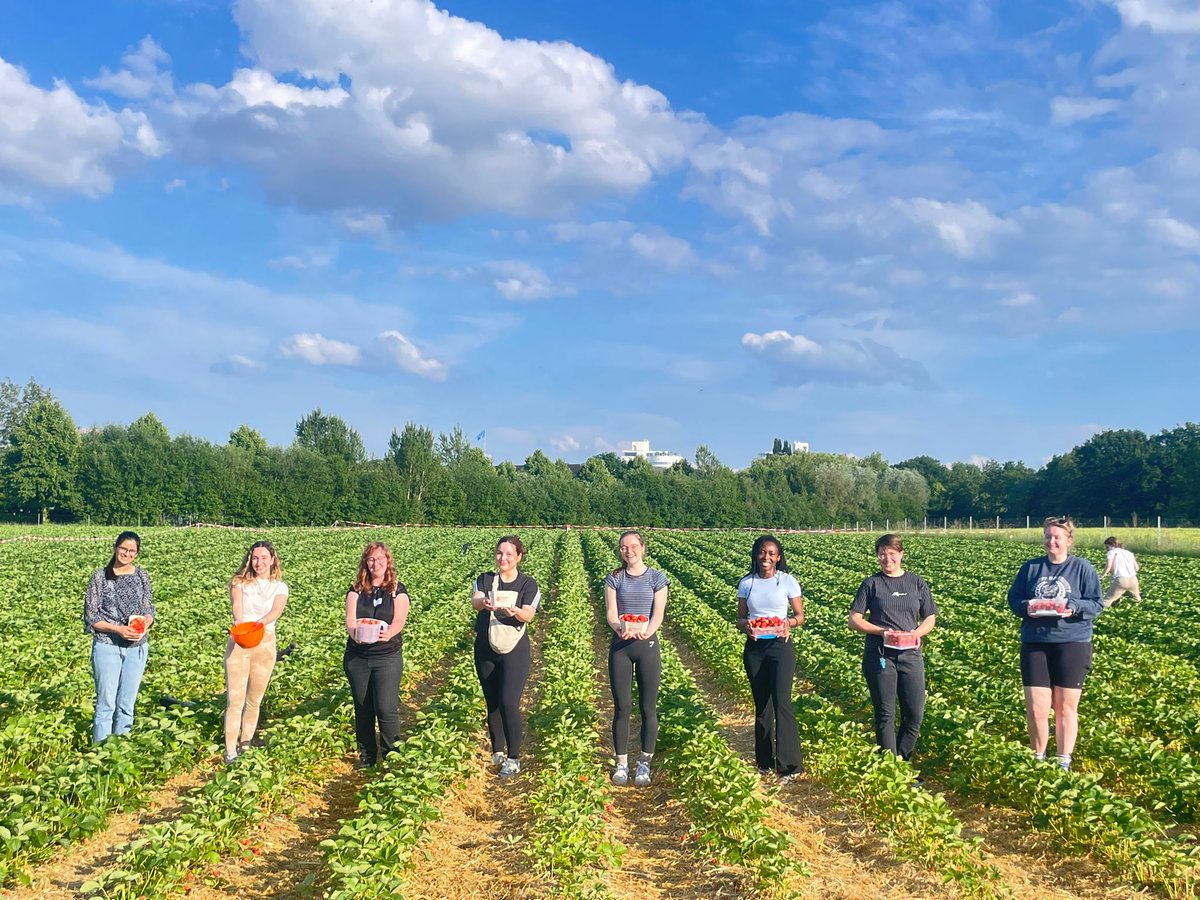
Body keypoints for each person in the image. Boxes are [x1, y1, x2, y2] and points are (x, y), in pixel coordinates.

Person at [1007, 516, 1104, 771]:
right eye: (1048, 537)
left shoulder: (1082, 568)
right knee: (1036, 707)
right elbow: (1014, 599)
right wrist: (1027, 607)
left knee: (1065, 707)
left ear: (1069, 541)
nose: (1052, 541)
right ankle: (1038, 758)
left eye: (1057, 537)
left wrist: (1073, 607)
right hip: (1035, 642)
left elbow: (1096, 603)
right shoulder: (1031, 568)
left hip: (1072, 642)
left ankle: (1063, 760)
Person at [848, 534, 938, 762]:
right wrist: (882, 632)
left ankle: (902, 761)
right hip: (880, 655)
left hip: (911, 655)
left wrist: (917, 633)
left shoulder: (916, 582)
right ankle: (890, 766)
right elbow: (854, 619)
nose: (887, 559)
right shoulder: (871, 584)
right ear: (877, 556)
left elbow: (930, 617)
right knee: (885, 714)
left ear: (901, 554)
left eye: (891, 553)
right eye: (882, 554)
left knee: (914, 714)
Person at [736, 535, 805, 782]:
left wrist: (788, 623)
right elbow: (740, 618)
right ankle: (764, 762)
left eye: (771, 553)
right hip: (755, 648)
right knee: (762, 704)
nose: (766, 557)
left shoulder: (787, 581)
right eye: (762, 552)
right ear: (756, 555)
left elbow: (800, 616)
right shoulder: (747, 583)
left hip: (780, 646)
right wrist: (747, 626)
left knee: (782, 703)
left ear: (778, 557)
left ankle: (790, 766)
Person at [471, 535, 540, 779]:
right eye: (500, 553)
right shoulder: (485, 579)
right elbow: (475, 601)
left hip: (515, 648)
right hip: (485, 645)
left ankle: (514, 758)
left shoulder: (527, 584)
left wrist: (516, 611)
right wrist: (485, 602)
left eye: (509, 554)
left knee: (509, 702)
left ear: (519, 556)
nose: (503, 558)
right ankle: (497, 751)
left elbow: (529, 614)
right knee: (492, 702)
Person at [604, 531, 668, 787]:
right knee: (622, 706)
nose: (628, 551)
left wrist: (645, 632)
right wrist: (620, 627)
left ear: (643, 547)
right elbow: (611, 613)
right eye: (623, 547)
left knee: (648, 707)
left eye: (633, 546)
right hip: (621, 645)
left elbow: (658, 614)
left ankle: (644, 762)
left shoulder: (657, 578)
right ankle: (621, 763)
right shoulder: (614, 578)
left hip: (646, 645)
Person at [83, 531, 155, 743]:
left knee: (127, 705)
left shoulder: (142, 576)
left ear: (137, 553)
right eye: (124, 549)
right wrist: (118, 630)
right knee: (106, 705)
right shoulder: (100, 577)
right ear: (115, 548)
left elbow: (149, 607)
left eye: (132, 551)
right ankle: (101, 750)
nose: (127, 554)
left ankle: (121, 750)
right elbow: (92, 617)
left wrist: (147, 621)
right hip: (107, 646)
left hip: (137, 647)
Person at [344, 541, 411, 768]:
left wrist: (389, 632)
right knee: (363, 707)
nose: (376, 564)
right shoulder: (356, 590)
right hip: (358, 657)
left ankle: (392, 756)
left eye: (380, 559)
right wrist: (355, 633)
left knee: (385, 707)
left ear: (387, 561)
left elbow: (399, 619)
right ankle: (367, 756)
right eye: (371, 559)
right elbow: (350, 619)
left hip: (387, 656)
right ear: (365, 563)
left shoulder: (397, 590)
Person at [224, 541, 288, 764]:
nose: (259, 563)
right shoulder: (239, 583)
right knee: (235, 700)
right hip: (240, 641)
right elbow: (237, 608)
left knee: (254, 700)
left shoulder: (279, 587)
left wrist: (261, 623)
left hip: (265, 642)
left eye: (263, 558)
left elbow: (276, 610)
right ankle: (230, 750)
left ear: (272, 560)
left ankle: (246, 743)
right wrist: (241, 623)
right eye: (255, 558)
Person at [1102, 537, 1142, 606]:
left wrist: (1102, 575)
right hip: (1133, 580)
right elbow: (1137, 568)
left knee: (1107, 601)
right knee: (1137, 600)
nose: (1106, 549)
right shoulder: (1129, 553)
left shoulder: (1111, 552)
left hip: (1121, 580)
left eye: (1107, 547)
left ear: (1112, 545)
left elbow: (1109, 566)